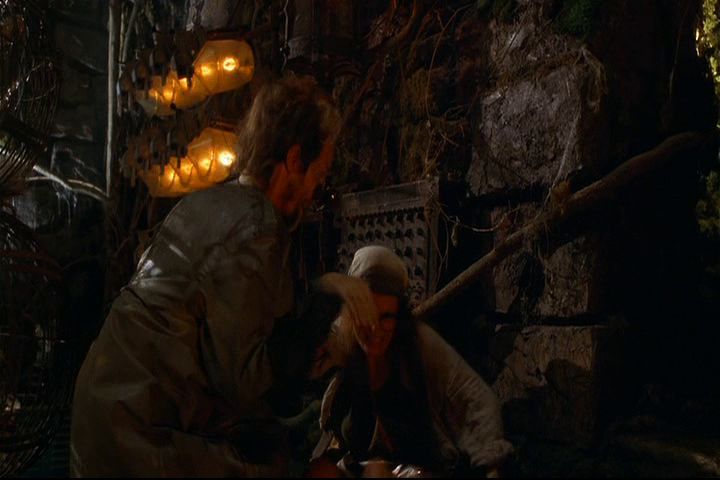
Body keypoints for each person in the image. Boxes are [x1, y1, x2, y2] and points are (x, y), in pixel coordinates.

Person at [69, 75, 378, 478]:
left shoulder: (209, 202)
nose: (313, 195)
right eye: (317, 178)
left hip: (104, 408)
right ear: (294, 160)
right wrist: (325, 304)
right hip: (136, 430)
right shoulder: (256, 226)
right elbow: (244, 380)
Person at [308, 245, 514, 478]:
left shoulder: (418, 343)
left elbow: (473, 396)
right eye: (366, 315)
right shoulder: (342, 340)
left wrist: (491, 465)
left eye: (386, 317)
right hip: (357, 466)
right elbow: (299, 364)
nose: (375, 330)